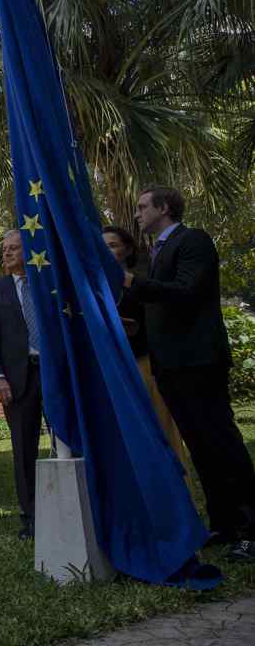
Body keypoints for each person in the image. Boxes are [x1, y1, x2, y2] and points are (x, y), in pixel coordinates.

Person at [126, 186, 255, 561]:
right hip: (170, 365)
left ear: (164, 208)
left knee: (222, 443)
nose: (137, 215)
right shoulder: (156, 253)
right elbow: (161, 304)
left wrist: (134, 283)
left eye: (142, 207)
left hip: (199, 361)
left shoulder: (192, 240)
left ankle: (249, 528)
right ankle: (223, 523)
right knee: (200, 447)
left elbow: (186, 291)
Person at [102, 225, 189, 476]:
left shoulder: (141, 283)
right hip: (112, 371)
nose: (107, 252)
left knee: (162, 429)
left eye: (112, 245)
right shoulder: (91, 291)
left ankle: (177, 488)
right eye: (102, 246)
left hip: (144, 365)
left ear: (127, 250)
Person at [0, 229, 43, 540]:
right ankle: (31, 516)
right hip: (16, 380)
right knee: (23, 448)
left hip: (55, 372)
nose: (6, 253)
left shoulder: (48, 283)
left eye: (14, 248)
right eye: (4, 249)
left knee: (70, 439)